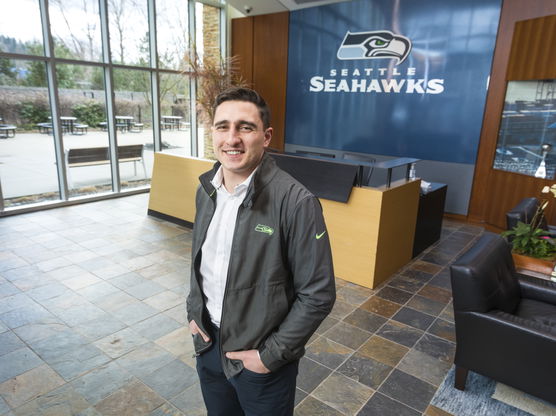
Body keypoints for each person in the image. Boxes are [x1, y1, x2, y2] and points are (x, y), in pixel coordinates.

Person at [186, 87, 336, 416]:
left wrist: (269, 356)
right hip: (208, 344)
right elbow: (203, 264)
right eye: (222, 126)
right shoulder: (206, 188)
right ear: (212, 132)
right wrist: (193, 314)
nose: (232, 138)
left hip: (259, 360)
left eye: (245, 127)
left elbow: (318, 293)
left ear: (266, 136)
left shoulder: (296, 202)